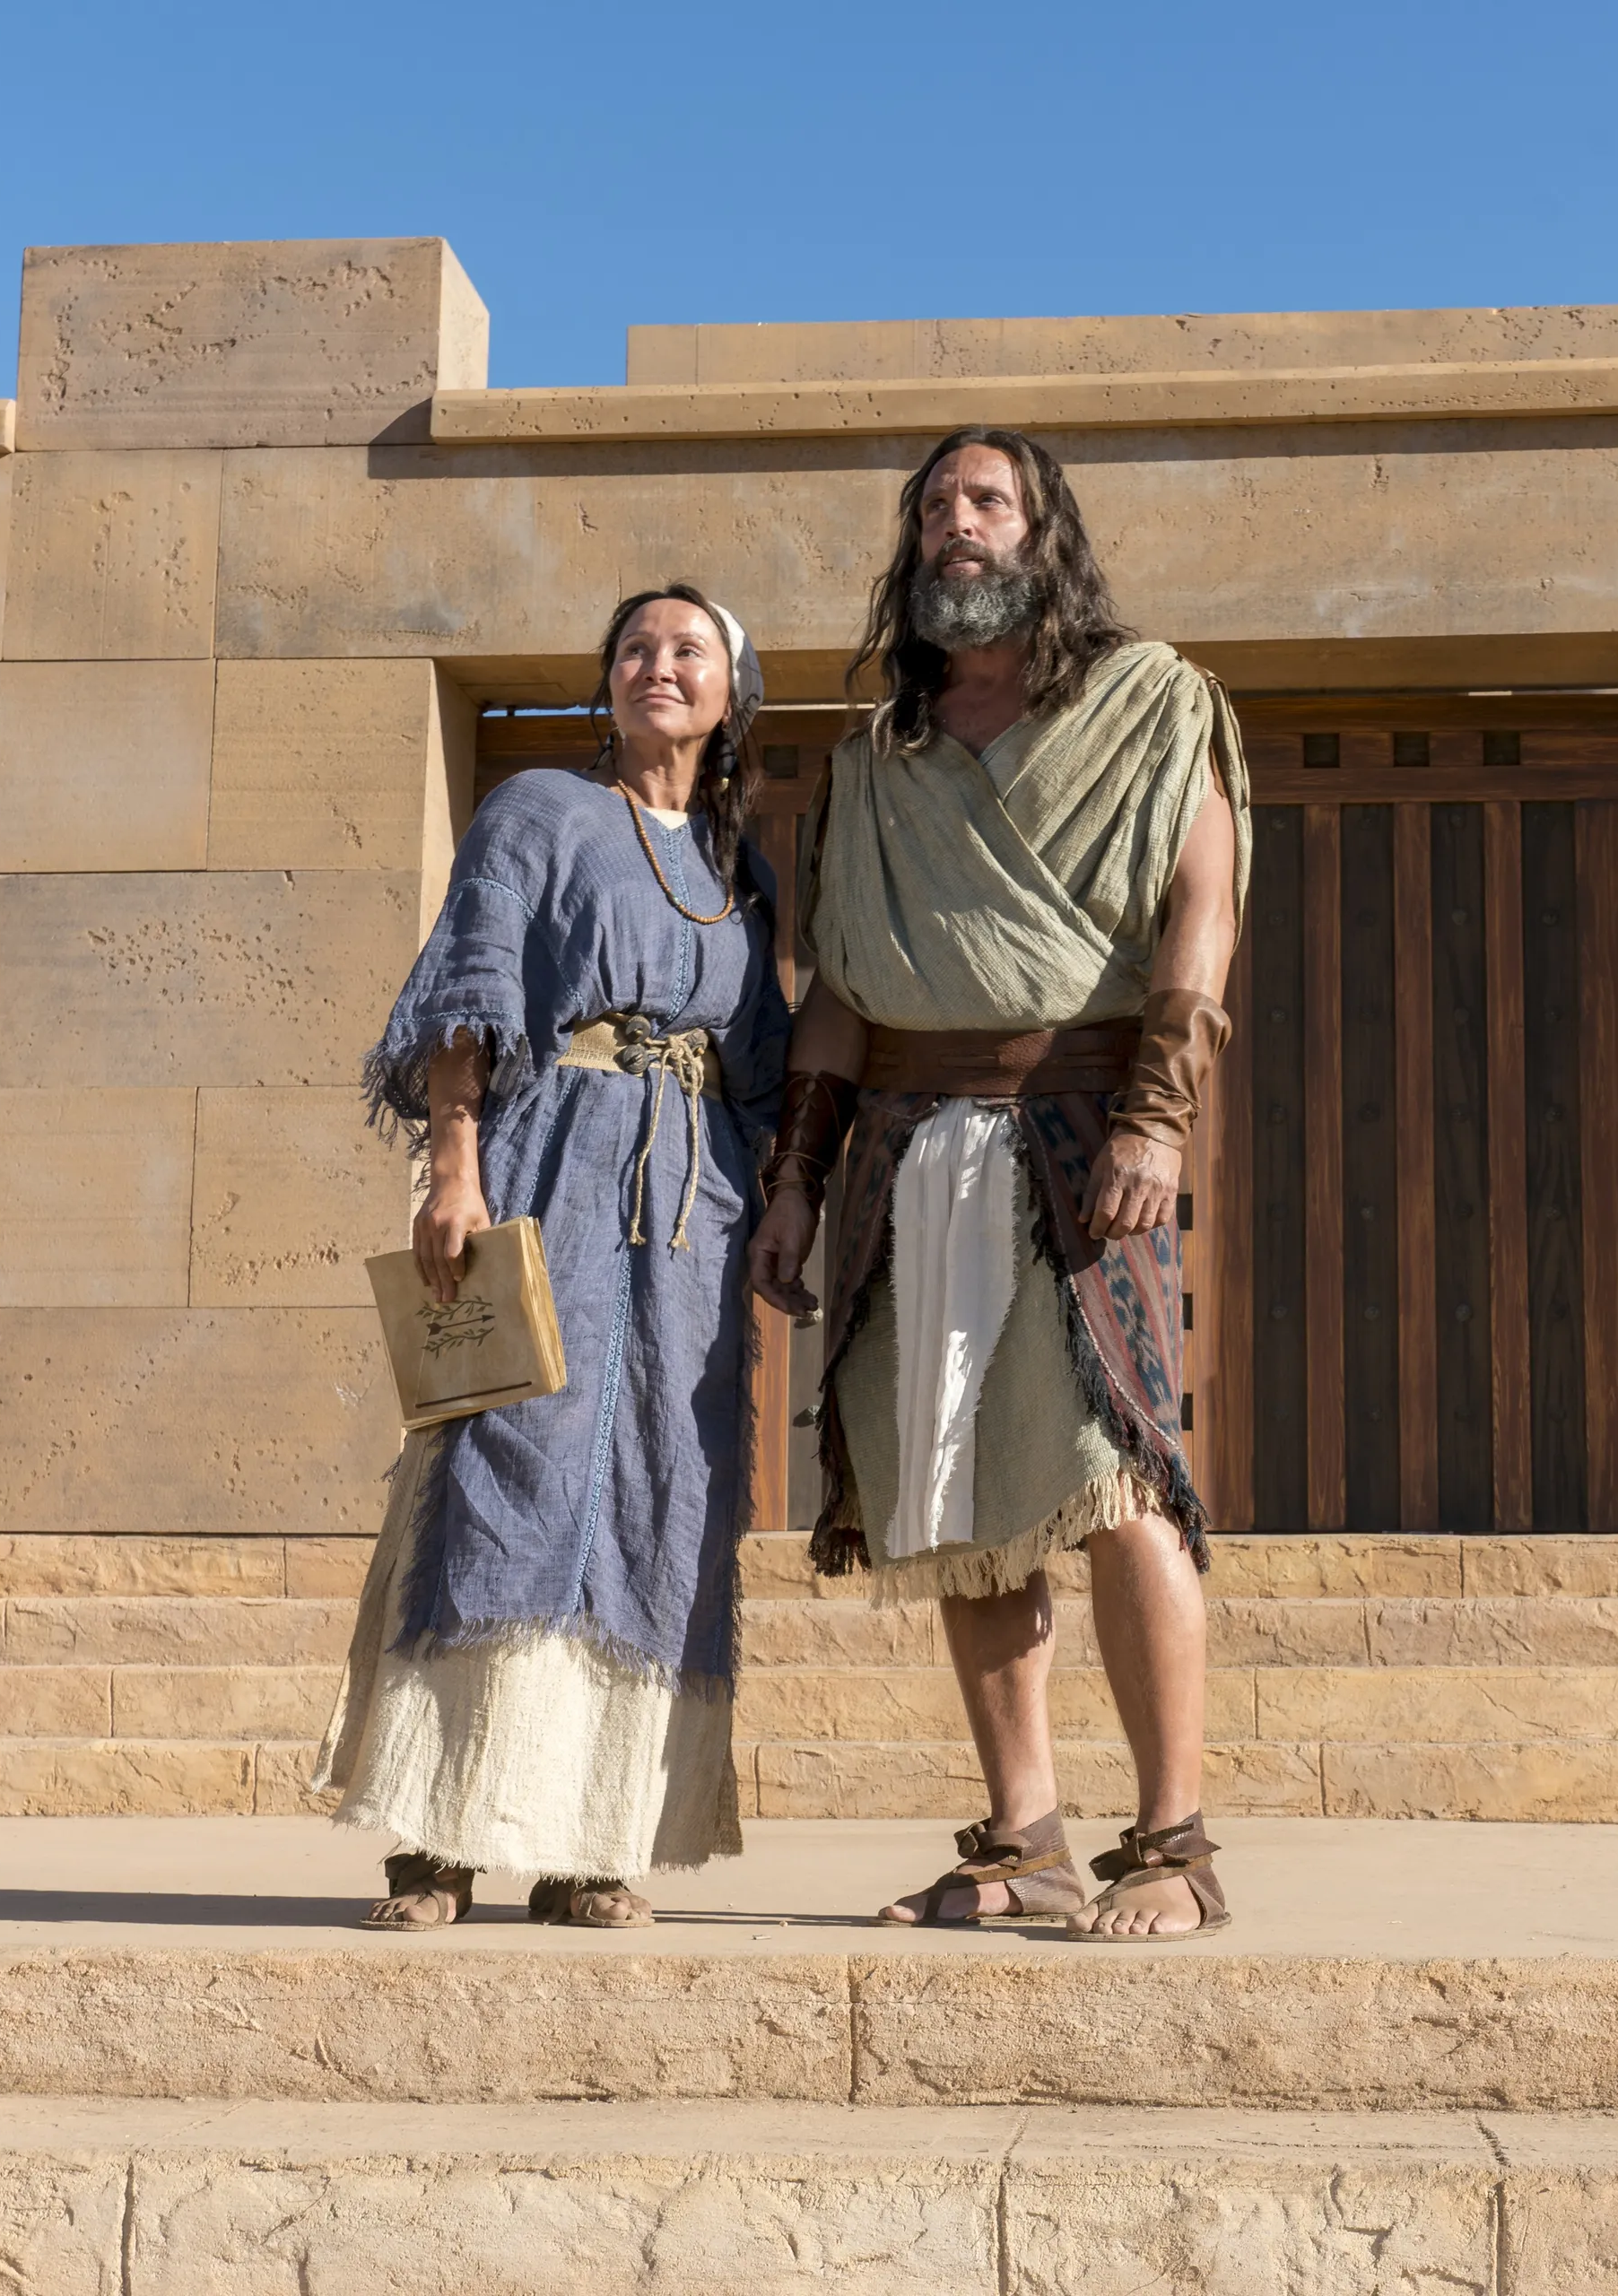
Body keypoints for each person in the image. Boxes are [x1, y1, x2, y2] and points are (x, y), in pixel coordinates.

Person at [748, 427, 1247, 1940]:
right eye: (934, 508)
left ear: (1042, 531)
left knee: (1121, 1478)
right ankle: (1021, 1834)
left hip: (1085, 1135)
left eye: (987, 502)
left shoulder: (1158, 704)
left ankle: (1173, 1846)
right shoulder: (871, 761)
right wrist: (795, 1176)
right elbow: (836, 989)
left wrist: (1161, 1119)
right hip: (904, 1150)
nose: (957, 527)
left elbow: (1200, 919)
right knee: (958, 1493)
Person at [318, 583, 789, 1930]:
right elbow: (473, 983)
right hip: (551, 1162)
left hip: (692, 1209)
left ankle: (596, 1842)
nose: (658, 664)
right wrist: (453, 1163)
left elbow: (758, 1062)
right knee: (500, 1469)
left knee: (659, 1504)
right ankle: (438, 1841)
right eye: (636, 646)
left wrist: (780, 1206)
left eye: (688, 649)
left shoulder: (738, 873)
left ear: (728, 694)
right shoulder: (535, 810)